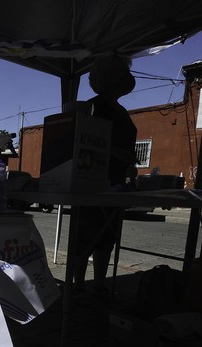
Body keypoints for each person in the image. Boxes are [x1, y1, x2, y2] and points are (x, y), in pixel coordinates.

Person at [74, 53, 138, 297]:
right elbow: (85, 142)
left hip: (116, 183)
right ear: (113, 77)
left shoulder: (119, 109)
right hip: (93, 182)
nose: (128, 77)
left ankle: (98, 284)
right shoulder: (94, 107)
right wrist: (119, 154)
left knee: (107, 238)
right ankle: (79, 287)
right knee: (86, 237)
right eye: (123, 72)